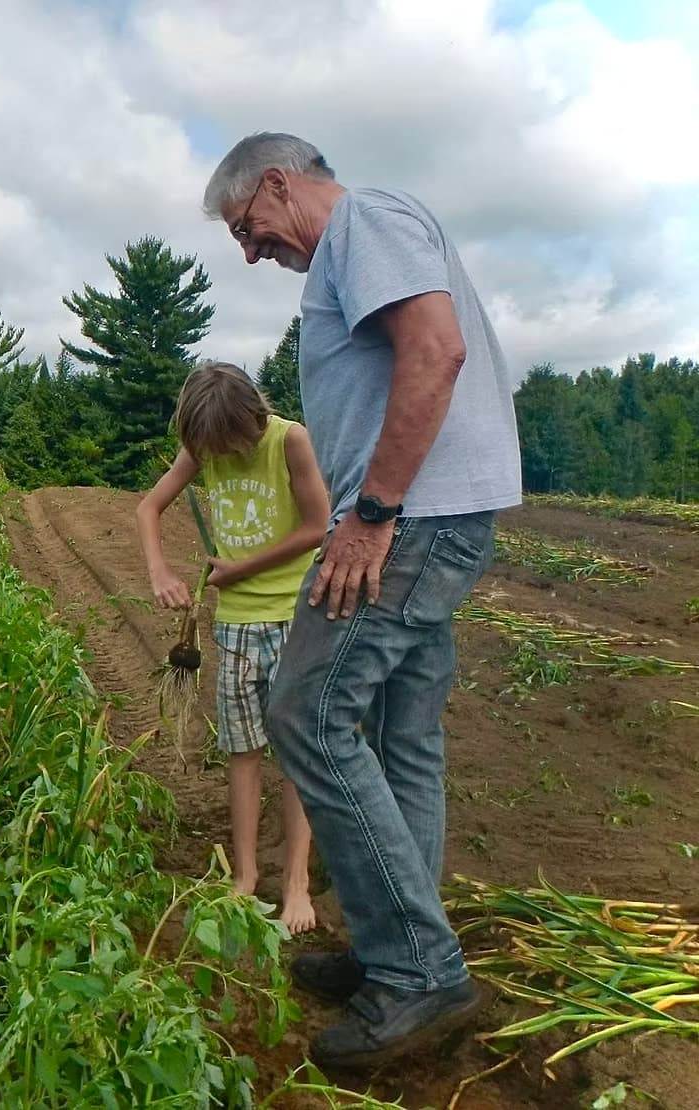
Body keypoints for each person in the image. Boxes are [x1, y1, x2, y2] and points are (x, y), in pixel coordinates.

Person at [201, 133, 522, 1067]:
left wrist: (374, 513)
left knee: (304, 711)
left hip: (408, 525)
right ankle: (398, 951)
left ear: (278, 183)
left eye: (250, 229)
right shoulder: (367, 237)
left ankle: (419, 970)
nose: (254, 252)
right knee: (400, 736)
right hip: (438, 519)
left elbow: (435, 350)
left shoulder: (364, 223)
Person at [137, 361, 329, 936]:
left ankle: (296, 880)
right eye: (210, 448)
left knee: (296, 754)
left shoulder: (289, 439)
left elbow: (318, 526)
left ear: (252, 417)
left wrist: (239, 568)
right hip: (237, 626)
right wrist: (159, 572)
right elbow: (148, 508)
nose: (223, 455)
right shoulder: (206, 447)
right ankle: (244, 876)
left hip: (297, 616)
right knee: (242, 751)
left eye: (230, 443)